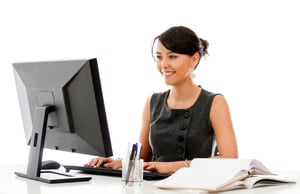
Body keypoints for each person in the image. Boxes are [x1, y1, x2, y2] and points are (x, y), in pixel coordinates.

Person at [85, 26, 238, 174]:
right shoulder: (152, 102)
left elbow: (230, 159)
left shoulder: (214, 102)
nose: (163, 65)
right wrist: (117, 163)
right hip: (154, 186)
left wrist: (170, 167)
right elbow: (143, 159)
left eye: (172, 56)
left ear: (194, 59)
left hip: (195, 187)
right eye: (159, 57)